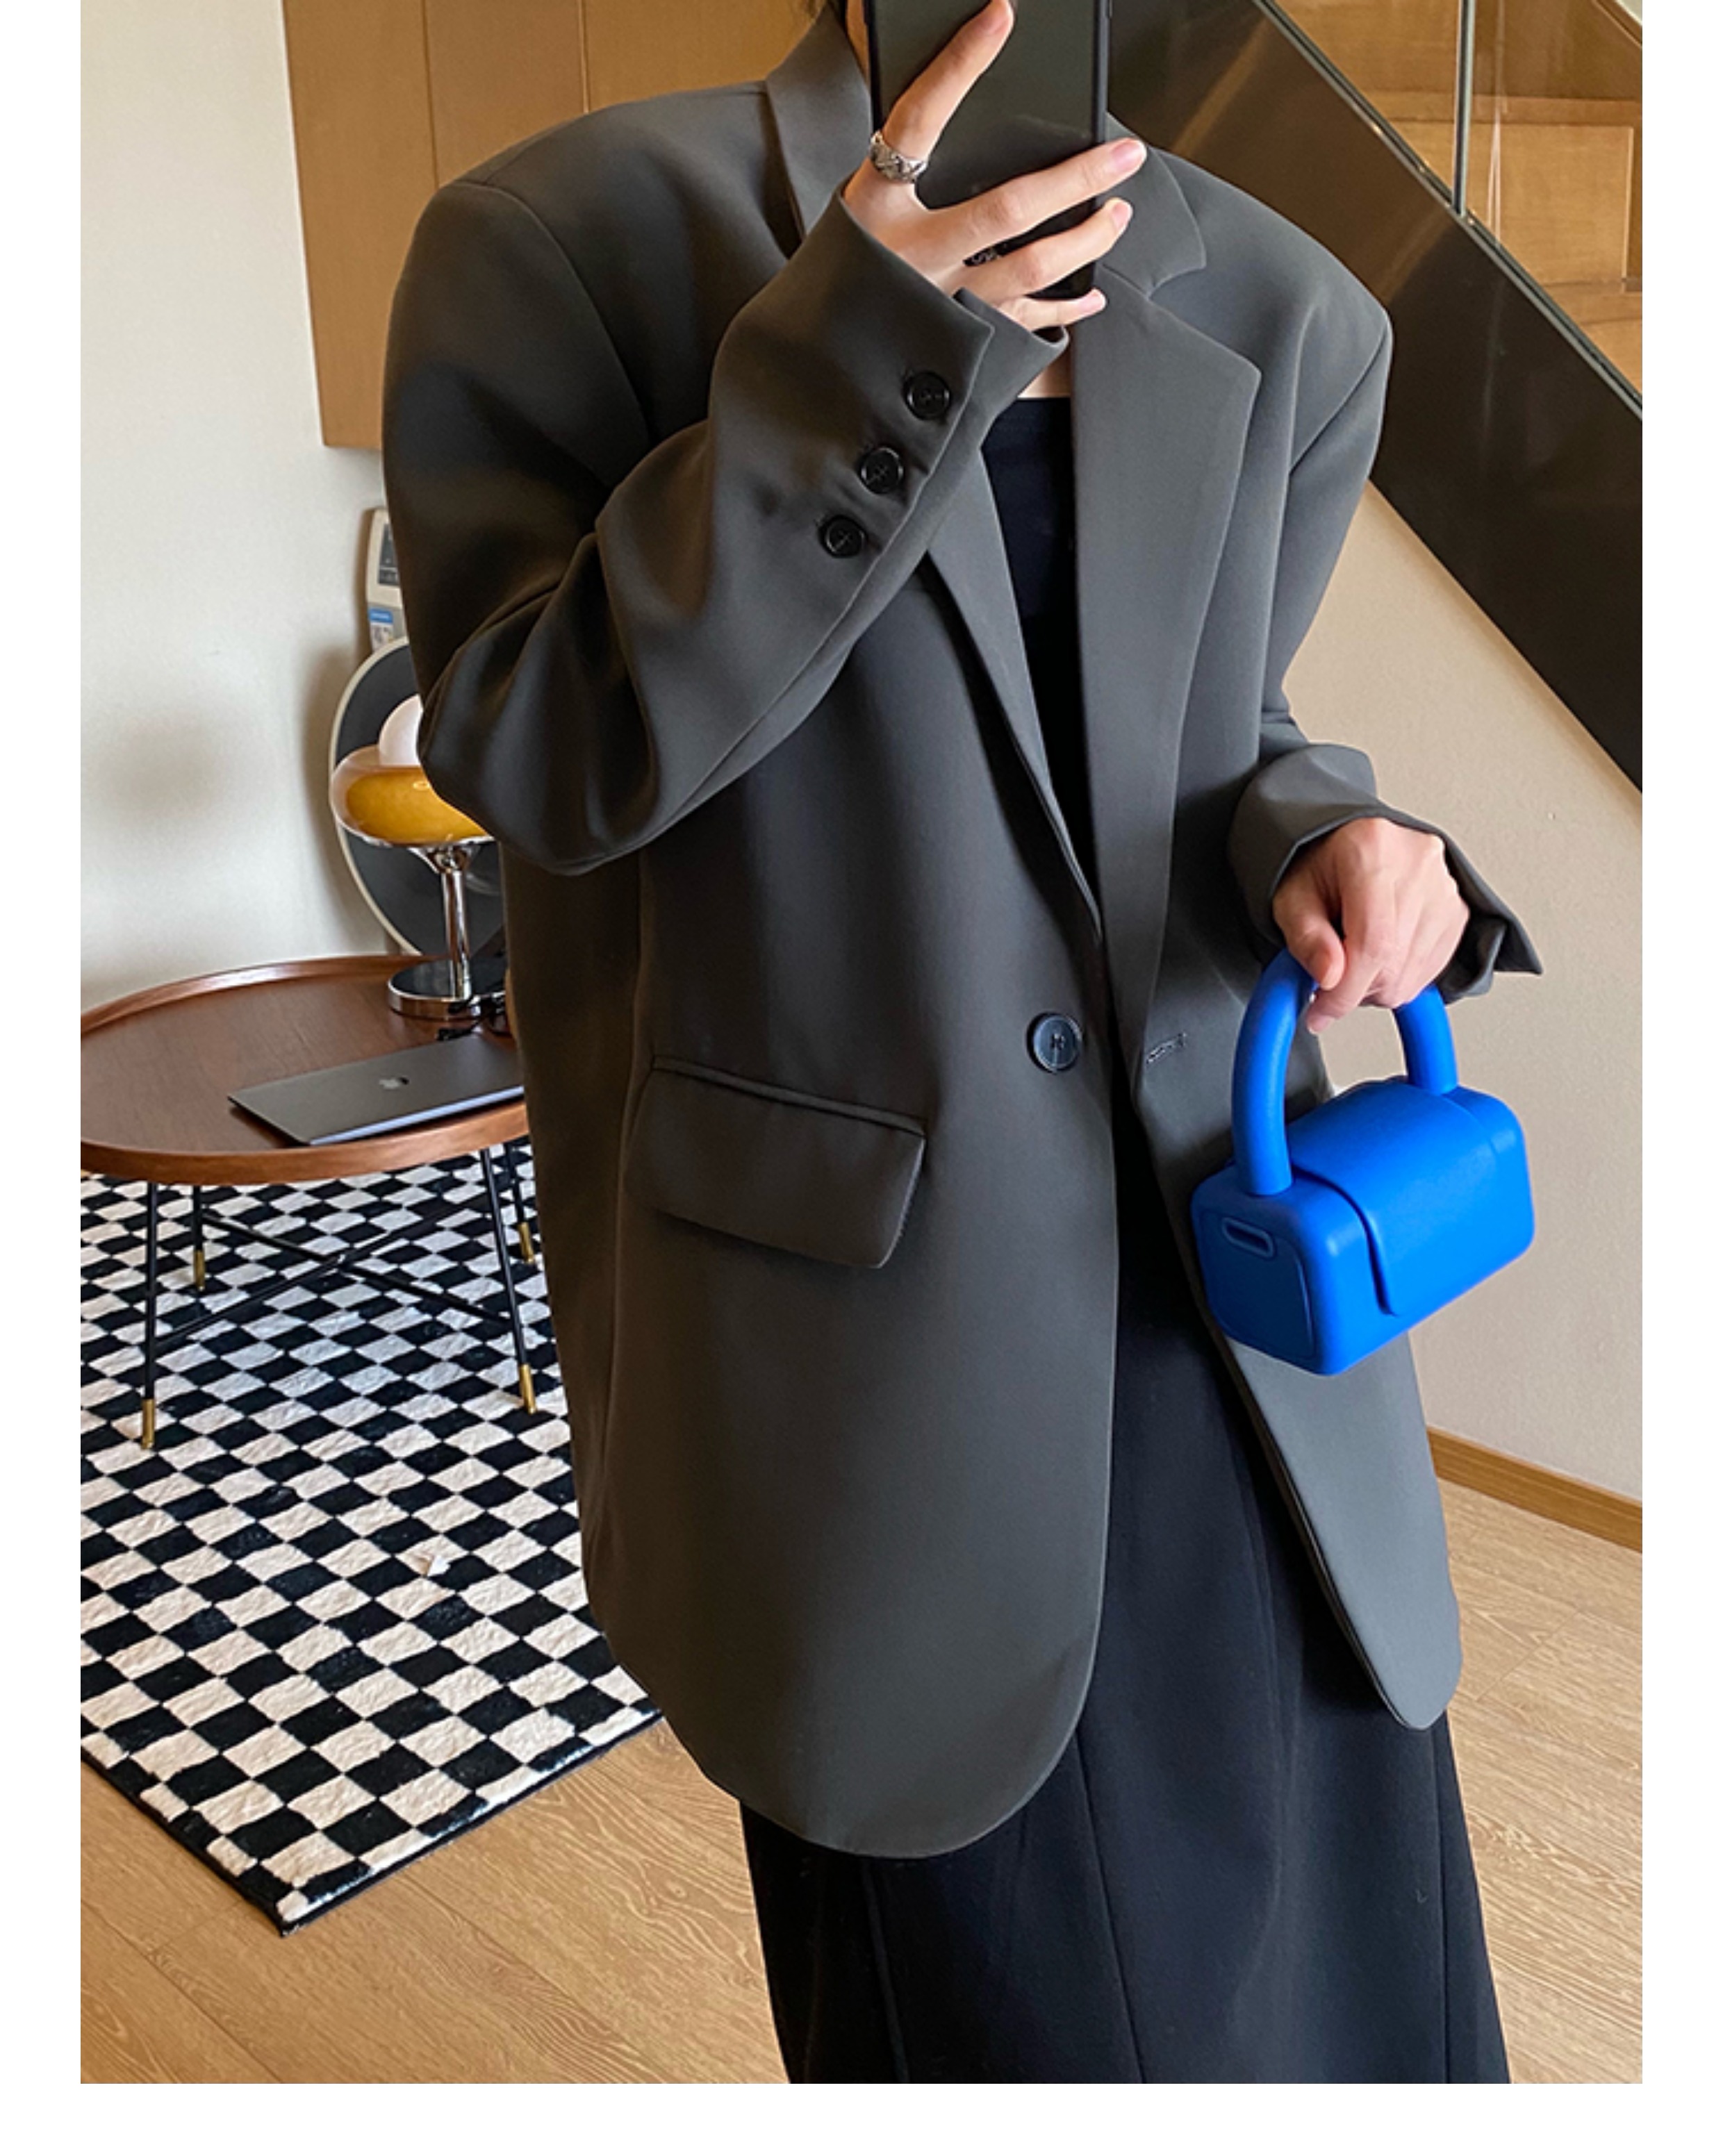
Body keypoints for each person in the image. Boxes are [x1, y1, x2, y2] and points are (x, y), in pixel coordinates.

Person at [382, 0, 1538, 2082]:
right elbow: (538, 756)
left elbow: (1208, 734)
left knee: (1358, 1996)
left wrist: (1327, 831)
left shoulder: (1283, 305)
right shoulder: (570, 241)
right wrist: (865, 351)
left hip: (1237, 1306)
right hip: (874, 1360)